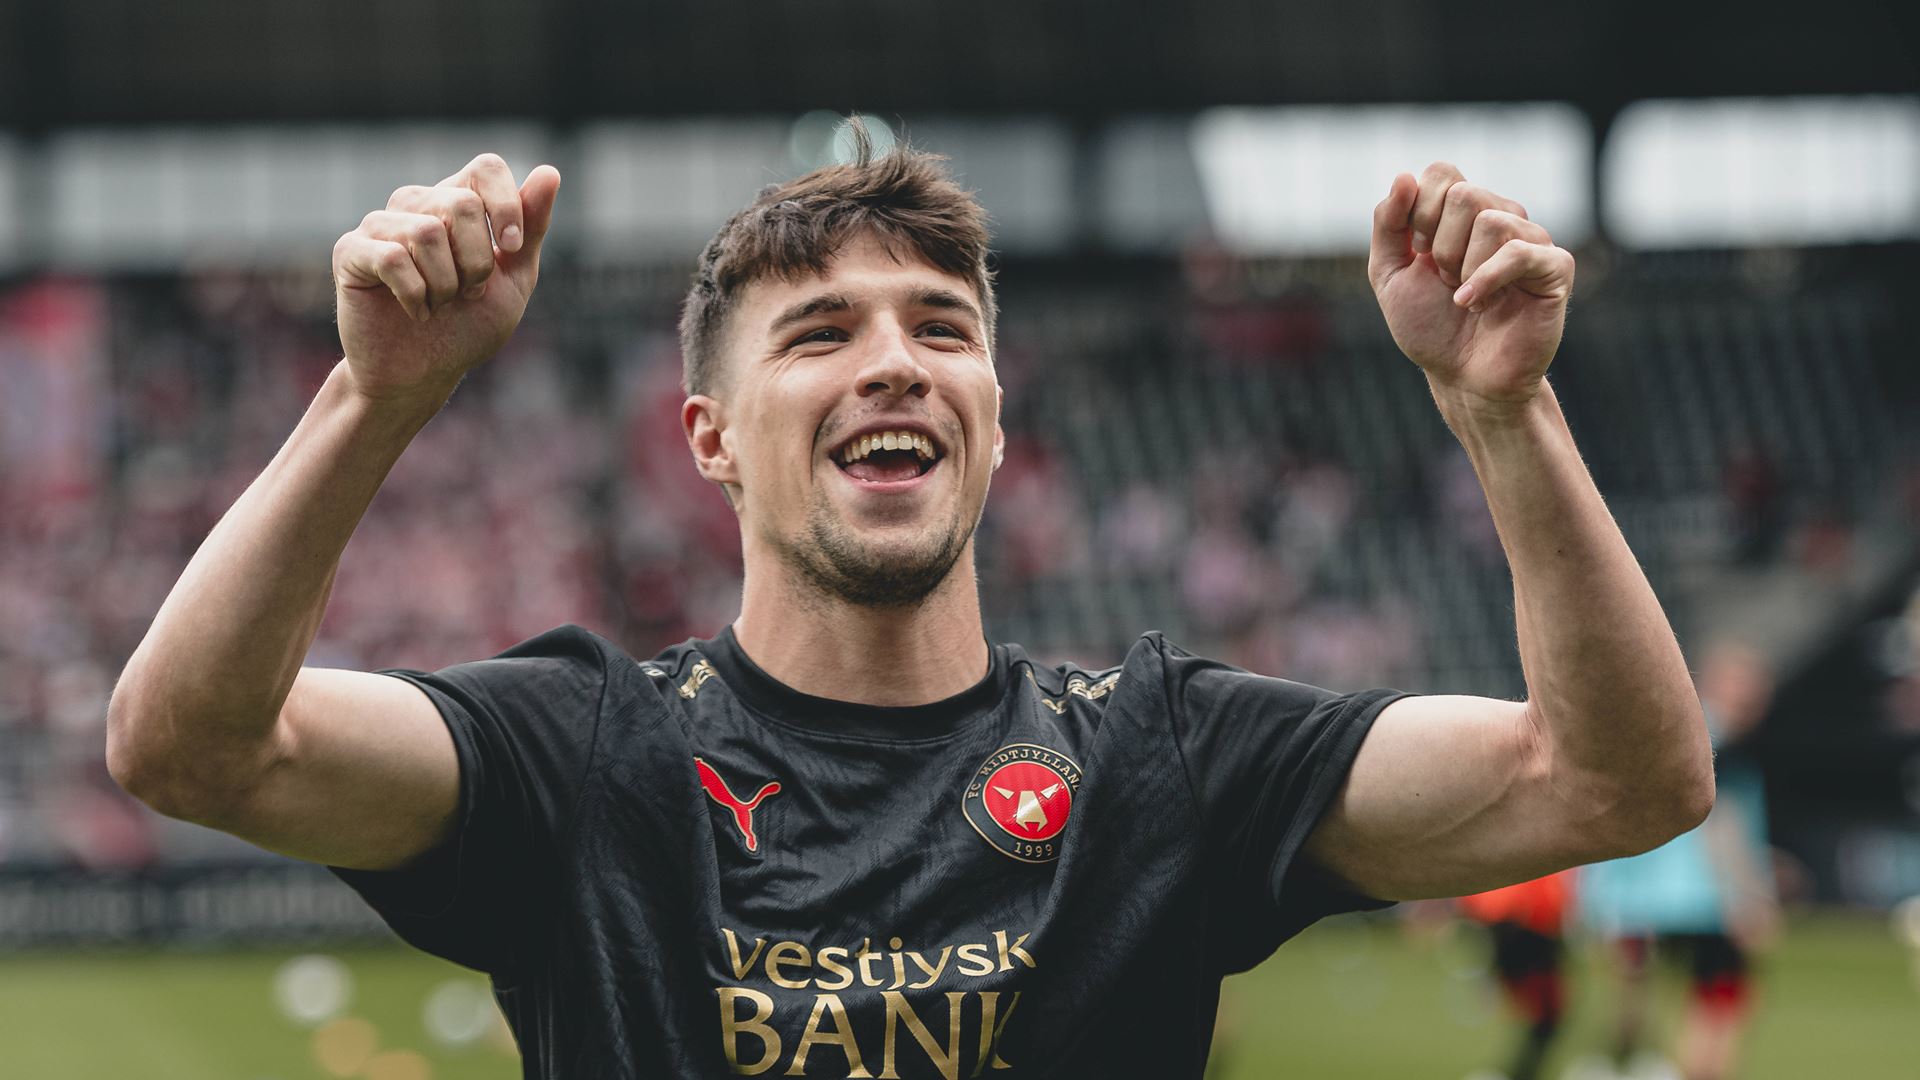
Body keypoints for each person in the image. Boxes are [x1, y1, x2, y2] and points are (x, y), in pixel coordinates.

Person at [105, 131, 1714, 1077]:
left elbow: (1617, 781)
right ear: (710, 441)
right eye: (819, 333)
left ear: (994, 425)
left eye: (941, 328)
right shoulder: (583, 751)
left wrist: (1505, 410)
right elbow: (191, 747)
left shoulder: (1161, 754)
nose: (893, 360)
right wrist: (375, 396)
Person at [1577, 644, 1778, 1080]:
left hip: (1642, 899)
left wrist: (1602, 896)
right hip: (1702, 903)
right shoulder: (1717, 740)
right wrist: (1748, 900)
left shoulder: (1666, 732)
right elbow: (1722, 828)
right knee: (1718, 1005)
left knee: (1638, 999)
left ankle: (1618, 1066)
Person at [1456, 870, 1577, 1080]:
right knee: (1543, 1013)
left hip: (1530, 924)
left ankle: (1516, 1071)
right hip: (1524, 927)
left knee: (1543, 1014)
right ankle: (1513, 1072)